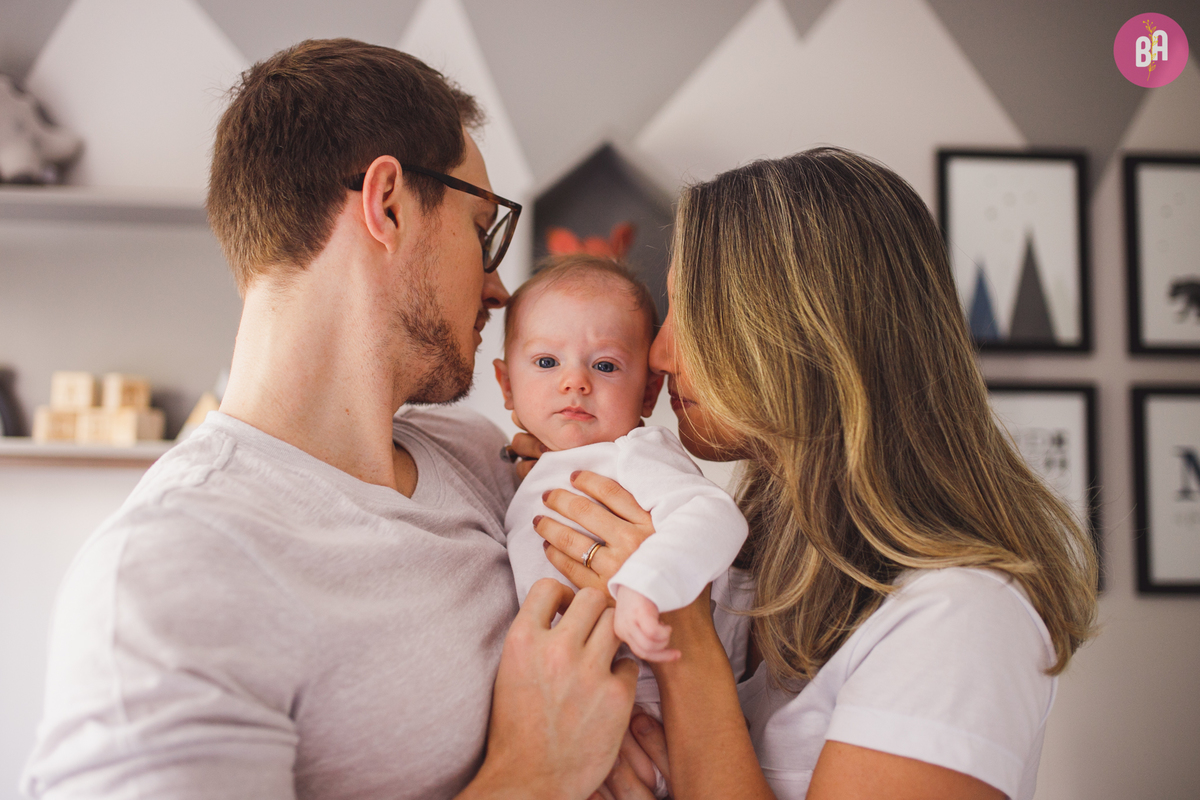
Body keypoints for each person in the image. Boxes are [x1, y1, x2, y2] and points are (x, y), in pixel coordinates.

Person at [22, 39, 638, 800]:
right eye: (483, 234)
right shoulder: (171, 578)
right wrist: (531, 775)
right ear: (387, 204)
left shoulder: (485, 461)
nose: (499, 290)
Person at [531, 147, 1100, 800]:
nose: (659, 353)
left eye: (690, 310)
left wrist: (681, 639)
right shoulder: (751, 568)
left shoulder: (961, 617)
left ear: (795, 331)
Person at [496, 255, 751, 795]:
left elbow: (715, 516)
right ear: (506, 386)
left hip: (656, 714)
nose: (574, 383)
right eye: (545, 362)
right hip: (583, 721)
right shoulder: (528, 468)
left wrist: (645, 583)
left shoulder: (636, 454)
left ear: (649, 392)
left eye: (606, 366)